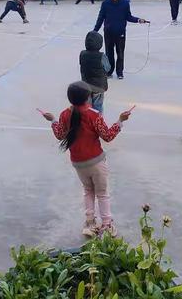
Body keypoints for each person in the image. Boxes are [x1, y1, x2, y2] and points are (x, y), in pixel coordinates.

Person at [41, 81, 132, 237]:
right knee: (102, 193)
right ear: (88, 98)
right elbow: (108, 136)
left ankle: (89, 224)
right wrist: (120, 121)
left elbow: (60, 134)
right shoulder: (94, 115)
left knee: (88, 191)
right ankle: (107, 225)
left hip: (78, 162)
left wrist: (53, 120)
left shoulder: (64, 114)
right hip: (96, 161)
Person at [93, 0, 148, 80]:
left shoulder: (125, 3)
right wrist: (95, 31)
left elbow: (128, 17)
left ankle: (120, 72)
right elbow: (100, 18)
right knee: (109, 54)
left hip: (120, 33)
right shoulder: (105, 3)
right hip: (108, 33)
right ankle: (109, 72)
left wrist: (138, 20)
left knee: (120, 53)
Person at [80, 31, 110, 113]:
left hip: (86, 84)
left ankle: (88, 122)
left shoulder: (82, 54)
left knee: (87, 106)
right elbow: (108, 68)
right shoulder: (102, 56)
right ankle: (97, 122)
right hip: (99, 86)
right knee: (98, 105)